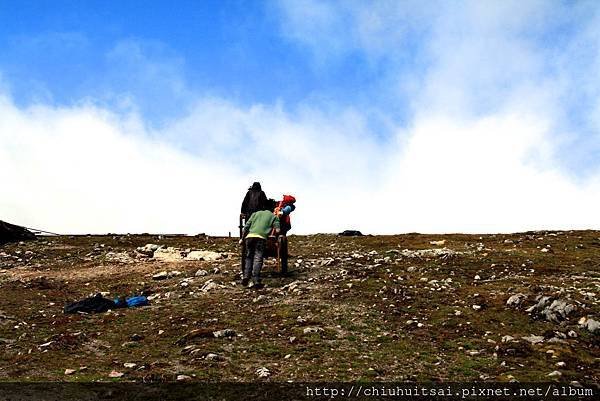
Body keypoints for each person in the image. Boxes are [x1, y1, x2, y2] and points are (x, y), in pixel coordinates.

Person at [239, 209, 280, 288]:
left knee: (249, 257)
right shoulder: (274, 217)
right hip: (261, 238)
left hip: (249, 237)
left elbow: (246, 227)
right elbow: (278, 230)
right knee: (258, 258)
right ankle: (256, 280)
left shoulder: (255, 214)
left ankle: (246, 277)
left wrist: (242, 238)